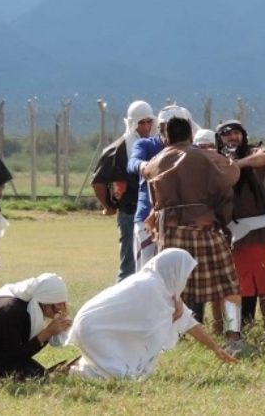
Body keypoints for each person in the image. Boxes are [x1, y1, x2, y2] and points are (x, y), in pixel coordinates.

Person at [142, 116, 247, 352]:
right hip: (205, 228)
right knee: (229, 285)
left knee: (169, 289)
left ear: (165, 137)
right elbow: (231, 176)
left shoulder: (155, 161)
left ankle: (168, 339)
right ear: (190, 135)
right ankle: (233, 337)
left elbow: (151, 189)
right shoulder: (205, 156)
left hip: (170, 233)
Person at [66, 249, 236, 380]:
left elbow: (188, 322)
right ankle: (73, 372)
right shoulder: (151, 287)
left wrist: (215, 348)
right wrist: (171, 314)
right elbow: (157, 327)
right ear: (174, 271)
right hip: (92, 330)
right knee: (123, 378)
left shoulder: (158, 286)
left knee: (125, 374)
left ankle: (74, 369)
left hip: (90, 328)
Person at [216, 119, 265, 335]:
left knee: (264, 281)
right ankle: (235, 330)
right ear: (220, 139)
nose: (232, 137)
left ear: (243, 135)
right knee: (234, 283)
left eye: (236, 133)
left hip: (257, 230)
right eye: (227, 134)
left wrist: (236, 165)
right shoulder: (217, 160)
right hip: (229, 230)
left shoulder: (253, 153)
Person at [128, 105, 198, 271]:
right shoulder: (145, 145)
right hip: (147, 217)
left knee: (179, 275)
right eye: (163, 128)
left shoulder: (194, 151)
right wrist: (144, 166)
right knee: (145, 273)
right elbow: (133, 163)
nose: (167, 133)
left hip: (182, 221)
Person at [93, 101, 154, 281]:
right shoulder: (118, 149)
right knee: (129, 266)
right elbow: (98, 182)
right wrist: (109, 206)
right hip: (129, 212)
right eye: (140, 123)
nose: (145, 127)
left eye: (148, 122)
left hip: (156, 212)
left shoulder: (157, 144)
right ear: (132, 123)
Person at [0, 273, 71, 379]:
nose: (61, 309)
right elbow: (14, 357)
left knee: (43, 375)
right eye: (58, 305)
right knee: (38, 377)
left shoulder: (24, 307)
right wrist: (46, 333)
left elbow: (21, 352)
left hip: (1, 355)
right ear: (44, 302)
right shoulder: (10, 310)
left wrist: (48, 333)